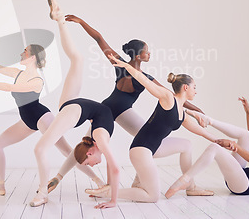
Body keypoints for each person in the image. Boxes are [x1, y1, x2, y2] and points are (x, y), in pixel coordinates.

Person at [47, 15, 207, 195]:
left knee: (96, 143)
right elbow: (173, 95)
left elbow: (99, 38)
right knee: (142, 143)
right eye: (147, 51)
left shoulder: (120, 65)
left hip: (106, 110)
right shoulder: (142, 77)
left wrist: (81, 22)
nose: (149, 54)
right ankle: (74, 179)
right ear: (139, 55)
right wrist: (197, 110)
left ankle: (64, 177)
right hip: (112, 113)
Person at [0, 38, 103, 196]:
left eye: (24, 52)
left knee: (67, 151)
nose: (21, 54)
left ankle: (99, 181)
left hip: (42, 118)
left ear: (32, 57)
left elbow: (9, 87)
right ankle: (0, 186)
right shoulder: (17, 74)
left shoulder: (37, 81)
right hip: (26, 121)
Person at [30, 0, 120, 209]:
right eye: (91, 164)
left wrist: (60, 177)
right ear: (90, 152)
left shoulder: (95, 140)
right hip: (76, 109)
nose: (94, 164)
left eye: (91, 165)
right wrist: (113, 201)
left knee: (78, 60)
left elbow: (76, 155)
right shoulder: (99, 138)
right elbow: (115, 168)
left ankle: (59, 19)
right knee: (40, 149)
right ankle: (42, 194)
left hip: (75, 106)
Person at [85, 62, 217, 202]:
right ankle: (109, 192)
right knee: (152, 197)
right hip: (141, 150)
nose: (195, 91)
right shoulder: (168, 97)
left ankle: (191, 187)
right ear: (186, 87)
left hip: (153, 148)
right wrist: (128, 67)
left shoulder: (181, 113)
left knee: (187, 145)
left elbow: (199, 131)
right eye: (194, 87)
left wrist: (217, 140)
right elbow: (147, 82)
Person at [165, 97, 249, 197]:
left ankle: (184, 180)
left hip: (243, 186)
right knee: (245, 135)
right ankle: (209, 121)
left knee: (215, 148)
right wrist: (248, 113)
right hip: (240, 175)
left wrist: (235, 146)